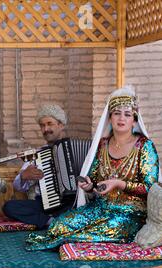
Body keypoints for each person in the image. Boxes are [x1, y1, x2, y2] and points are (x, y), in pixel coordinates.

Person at [25, 85, 160, 251]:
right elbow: (95, 179)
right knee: (58, 226)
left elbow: (150, 188)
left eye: (127, 114)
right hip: (100, 207)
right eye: (117, 113)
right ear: (110, 118)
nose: (121, 118)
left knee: (110, 228)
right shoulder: (103, 144)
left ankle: (66, 242)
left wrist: (119, 183)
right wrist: (90, 186)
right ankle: (64, 239)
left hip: (130, 213)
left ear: (135, 119)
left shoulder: (144, 146)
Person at [2, 104, 75, 229]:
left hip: (70, 202)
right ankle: (51, 222)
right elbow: (18, 186)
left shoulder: (73, 150)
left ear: (61, 125)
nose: (46, 129)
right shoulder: (38, 154)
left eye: (49, 123)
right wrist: (24, 176)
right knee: (9, 207)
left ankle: (56, 220)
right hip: (43, 204)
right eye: (42, 125)